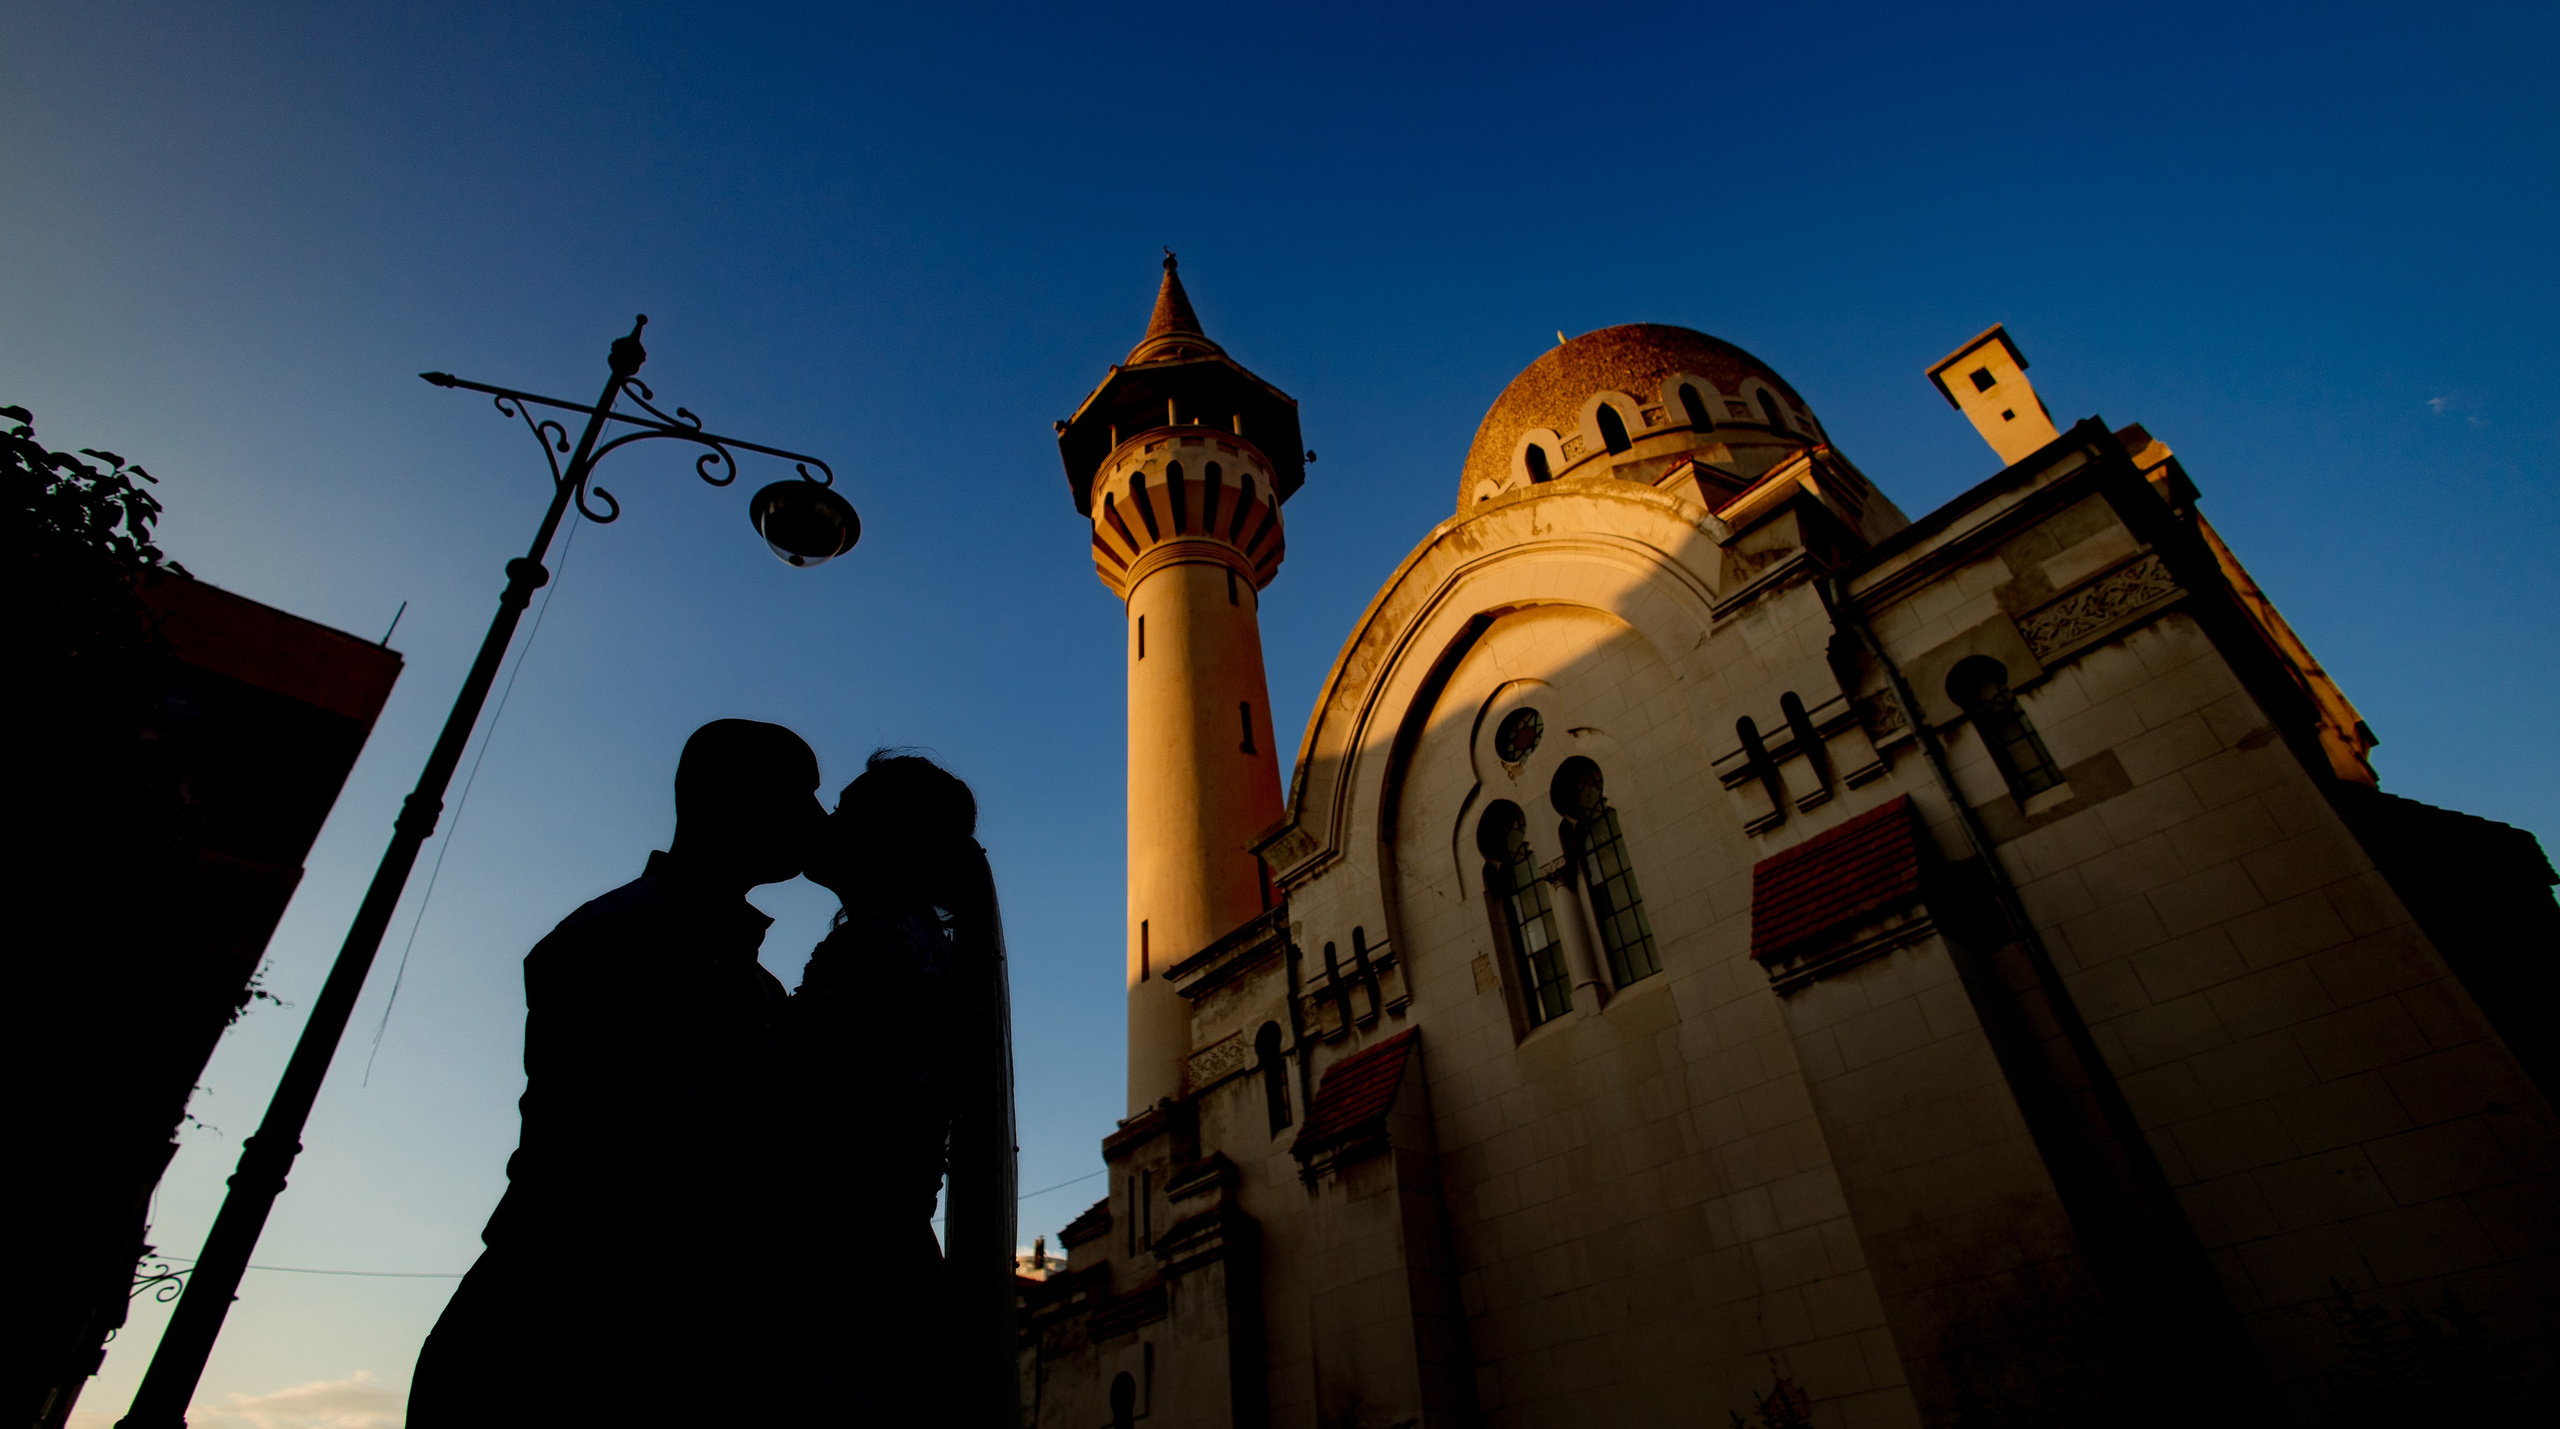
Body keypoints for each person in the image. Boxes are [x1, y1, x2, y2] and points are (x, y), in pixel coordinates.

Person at [409, 719, 824, 1427]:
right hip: (558, 1334)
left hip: (653, 1333)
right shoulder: (616, 934)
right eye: (802, 796)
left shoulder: (758, 984)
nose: (817, 820)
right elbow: (602, 1147)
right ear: (727, 798)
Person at [794, 751, 1020, 1427]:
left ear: (884, 841)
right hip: (886, 1257)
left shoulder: (876, 947)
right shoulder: (921, 947)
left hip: (840, 1262)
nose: (829, 823)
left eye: (848, 811)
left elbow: (809, 1108)